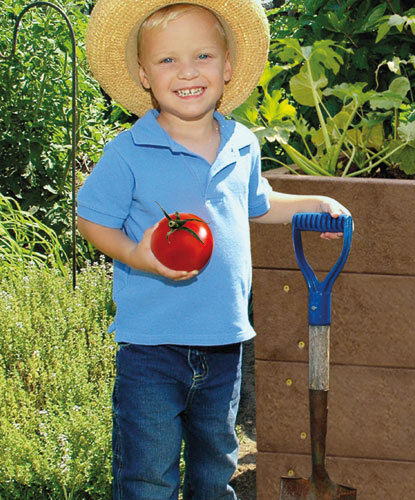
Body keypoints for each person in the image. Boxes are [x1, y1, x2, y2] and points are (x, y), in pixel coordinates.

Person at [78, 1, 349, 498]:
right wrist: (138, 255)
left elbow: (257, 204)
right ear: (143, 75)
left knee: (216, 465)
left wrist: (315, 202)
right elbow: (91, 219)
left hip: (223, 342)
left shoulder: (242, 142)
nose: (187, 71)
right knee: (147, 473)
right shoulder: (128, 152)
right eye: (167, 60)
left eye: (202, 56)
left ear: (226, 69)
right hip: (152, 347)